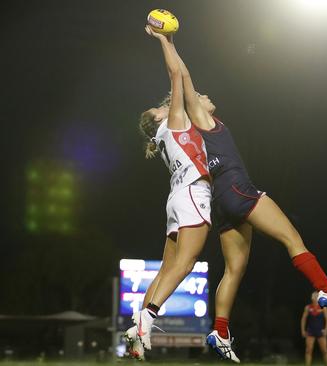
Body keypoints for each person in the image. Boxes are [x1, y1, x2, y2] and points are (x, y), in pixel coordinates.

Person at [145, 33, 327, 363]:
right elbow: (183, 75)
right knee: (292, 239)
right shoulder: (202, 119)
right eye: (201, 96)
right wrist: (168, 40)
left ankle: (220, 330)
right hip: (237, 189)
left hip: (220, 202)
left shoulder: (190, 130)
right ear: (195, 106)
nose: (205, 96)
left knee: (235, 270)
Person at [124, 26, 214, 360]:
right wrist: (166, 41)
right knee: (187, 264)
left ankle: (137, 326)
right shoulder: (172, 122)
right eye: (156, 108)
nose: (161, 106)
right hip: (193, 192)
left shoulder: (163, 135)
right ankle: (147, 319)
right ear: (156, 119)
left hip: (177, 198)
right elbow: (176, 74)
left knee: (165, 270)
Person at [301, 292, 327, 366]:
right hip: (310, 331)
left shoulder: (323, 307)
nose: (315, 297)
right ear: (311, 298)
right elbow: (303, 319)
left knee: (324, 350)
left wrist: (326, 330)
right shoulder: (308, 307)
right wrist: (303, 330)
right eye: (314, 296)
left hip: (320, 330)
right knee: (308, 350)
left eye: (316, 296)